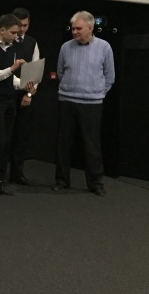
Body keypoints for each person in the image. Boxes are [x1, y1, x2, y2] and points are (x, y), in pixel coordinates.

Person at [53, 11, 115, 197]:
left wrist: (97, 93)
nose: (74, 32)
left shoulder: (104, 47)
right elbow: (60, 72)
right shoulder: (65, 47)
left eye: (78, 29)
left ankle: (96, 183)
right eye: (73, 29)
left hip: (92, 104)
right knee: (64, 143)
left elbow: (110, 76)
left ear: (90, 27)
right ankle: (62, 180)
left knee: (92, 145)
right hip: (67, 101)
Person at [0, 14, 35, 199]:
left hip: (9, 100)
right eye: (13, 33)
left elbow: (11, 80)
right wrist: (11, 69)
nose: (16, 36)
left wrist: (25, 84)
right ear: (2, 30)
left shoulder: (11, 49)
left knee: (6, 142)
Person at [4, 7, 41, 186]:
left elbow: (35, 71)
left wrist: (28, 93)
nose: (22, 29)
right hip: (6, 93)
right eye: (19, 26)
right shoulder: (6, 41)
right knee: (5, 136)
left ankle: (17, 173)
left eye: (25, 25)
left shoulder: (32, 42)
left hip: (25, 95)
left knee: (21, 135)